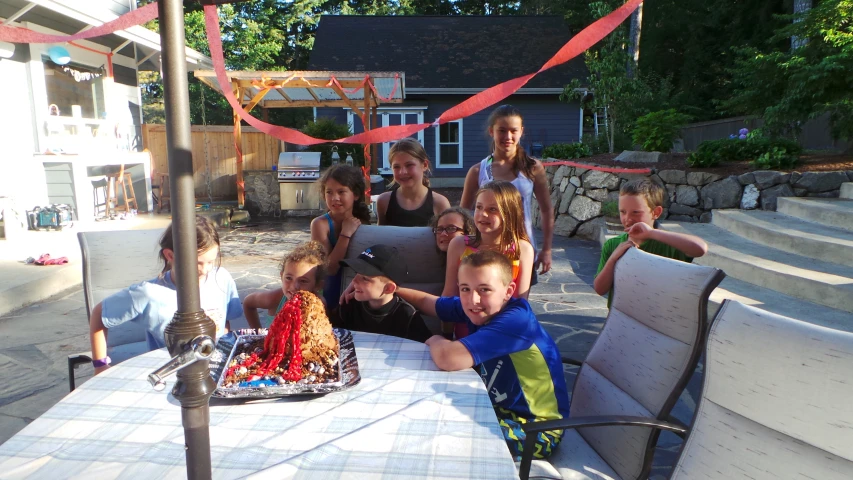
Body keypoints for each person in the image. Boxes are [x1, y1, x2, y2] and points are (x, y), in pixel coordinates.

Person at [397, 251, 569, 461]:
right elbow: (428, 302)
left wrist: (434, 340)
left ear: (508, 291)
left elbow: (448, 358)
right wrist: (392, 289)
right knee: (421, 412)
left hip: (536, 430)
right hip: (495, 408)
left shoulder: (516, 322)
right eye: (465, 289)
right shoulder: (479, 308)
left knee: (440, 437)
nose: (473, 299)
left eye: (484, 289)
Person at [89, 216, 242, 374]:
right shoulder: (148, 294)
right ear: (170, 256)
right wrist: (100, 364)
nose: (205, 270)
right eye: (197, 263)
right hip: (171, 376)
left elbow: (225, 324)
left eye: (211, 262)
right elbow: (99, 315)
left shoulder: (222, 279)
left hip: (213, 371)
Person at [461, 104, 554, 279]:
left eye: (513, 131)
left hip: (522, 251)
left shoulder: (532, 168)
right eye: (502, 130)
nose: (508, 136)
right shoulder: (478, 171)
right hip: (485, 252)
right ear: (491, 131)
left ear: (521, 132)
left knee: (518, 304)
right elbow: (464, 212)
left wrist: (547, 249)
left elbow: (547, 209)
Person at [594, 178, 708, 307]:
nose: (627, 219)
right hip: (622, 318)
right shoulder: (613, 245)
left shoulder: (668, 245)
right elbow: (600, 289)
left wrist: (651, 233)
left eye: (636, 212)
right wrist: (613, 258)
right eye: (623, 212)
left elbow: (700, 248)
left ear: (656, 212)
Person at [443, 181, 534, 339]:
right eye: (479, 207)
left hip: (502, 332)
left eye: (492, 209)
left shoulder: (523, 250)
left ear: (509, 212)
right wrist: (445, 333)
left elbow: (520, 302)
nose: (482, 214)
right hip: (466, 329)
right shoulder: (458, 245)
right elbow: (449, 293)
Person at [328, 244, 432, 343]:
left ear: (388, 288)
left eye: (365, 278)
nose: (354, 281)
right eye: (356, 273)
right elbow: (328, 332)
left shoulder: (407, 316)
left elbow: (426, 346)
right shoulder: (349, 305)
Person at [311, 164, 371, 308]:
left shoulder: (363, 223)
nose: (334, 198)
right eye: (329, 192)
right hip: (330, 290)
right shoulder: (320, 224)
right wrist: (345, 234)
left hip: (356, 288)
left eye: (341, 192)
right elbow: (329, 269)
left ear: (355, 195)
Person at [242, 241, 327, 329]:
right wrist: (257, 332)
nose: (294, 286)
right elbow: (248, 303)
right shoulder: (274, 299)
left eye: (303, 281)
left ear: (318, 285)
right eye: (289, 278)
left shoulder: (318, 305)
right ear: (282, 276)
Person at [376, 138, 451, 227]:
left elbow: (449, 238)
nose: (402, 172)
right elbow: (380, 237)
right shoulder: (384, 201)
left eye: (409, 165)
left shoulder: (439, 203)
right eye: (396, 167)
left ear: (425, 165)